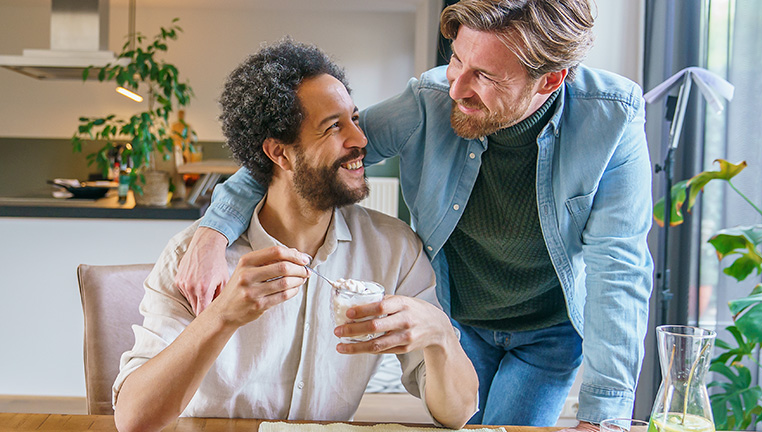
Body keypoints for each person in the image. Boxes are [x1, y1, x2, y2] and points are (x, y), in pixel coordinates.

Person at [176, 0, 654, 429]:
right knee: (458, 420)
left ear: (550, 80)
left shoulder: (612, 118)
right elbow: (304, 157)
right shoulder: (428, 99)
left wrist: (604, 416)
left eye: (484, 76)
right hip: (459, 319)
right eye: (457, 60)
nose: (456, 86)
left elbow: (619, 269)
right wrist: (212, 230)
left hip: (547, 334)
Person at [112, 39, 478, 432]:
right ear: (280, 153)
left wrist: (441, 334)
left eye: (354, 119)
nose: (360, 139)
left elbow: (456, 413)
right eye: (333, 126)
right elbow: (134, 419)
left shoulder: (395, 249)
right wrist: (221, 317)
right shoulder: (196, 259)